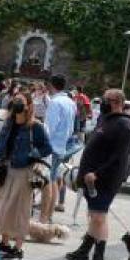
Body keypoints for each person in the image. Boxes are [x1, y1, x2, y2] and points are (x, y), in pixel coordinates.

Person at [66, 89, 130, 260]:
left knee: (99, 217)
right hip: (91, 178)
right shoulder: (105, 120)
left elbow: (120, 157)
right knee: (94, 216)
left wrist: (98, 173)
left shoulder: (124, 124)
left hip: (105, 179)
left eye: (107, 100)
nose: (103, 103)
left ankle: (98, 259)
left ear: (117, 102)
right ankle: (83, 251)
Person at [0, 92, 51, 260]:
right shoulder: (8, 122)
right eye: (15, 100)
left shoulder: (35, 126)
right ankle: (5, 243)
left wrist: (32, 154)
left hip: (24, 171)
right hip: (6, 169)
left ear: (29, 105)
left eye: (20, 101)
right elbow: (0, 142)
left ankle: (18, 247)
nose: (16, 103)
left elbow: (47, 148)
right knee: (3, 206)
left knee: (20, 209)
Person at [43, 74, 79, 213]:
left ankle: (46, 213)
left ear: (51, 85)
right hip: (62, 145)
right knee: (54, 179)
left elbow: (49, 127)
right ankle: (48, 212)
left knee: (49, 181)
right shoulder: (70, 102)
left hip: (52, 145)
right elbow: (71, 128)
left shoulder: (55, 102)